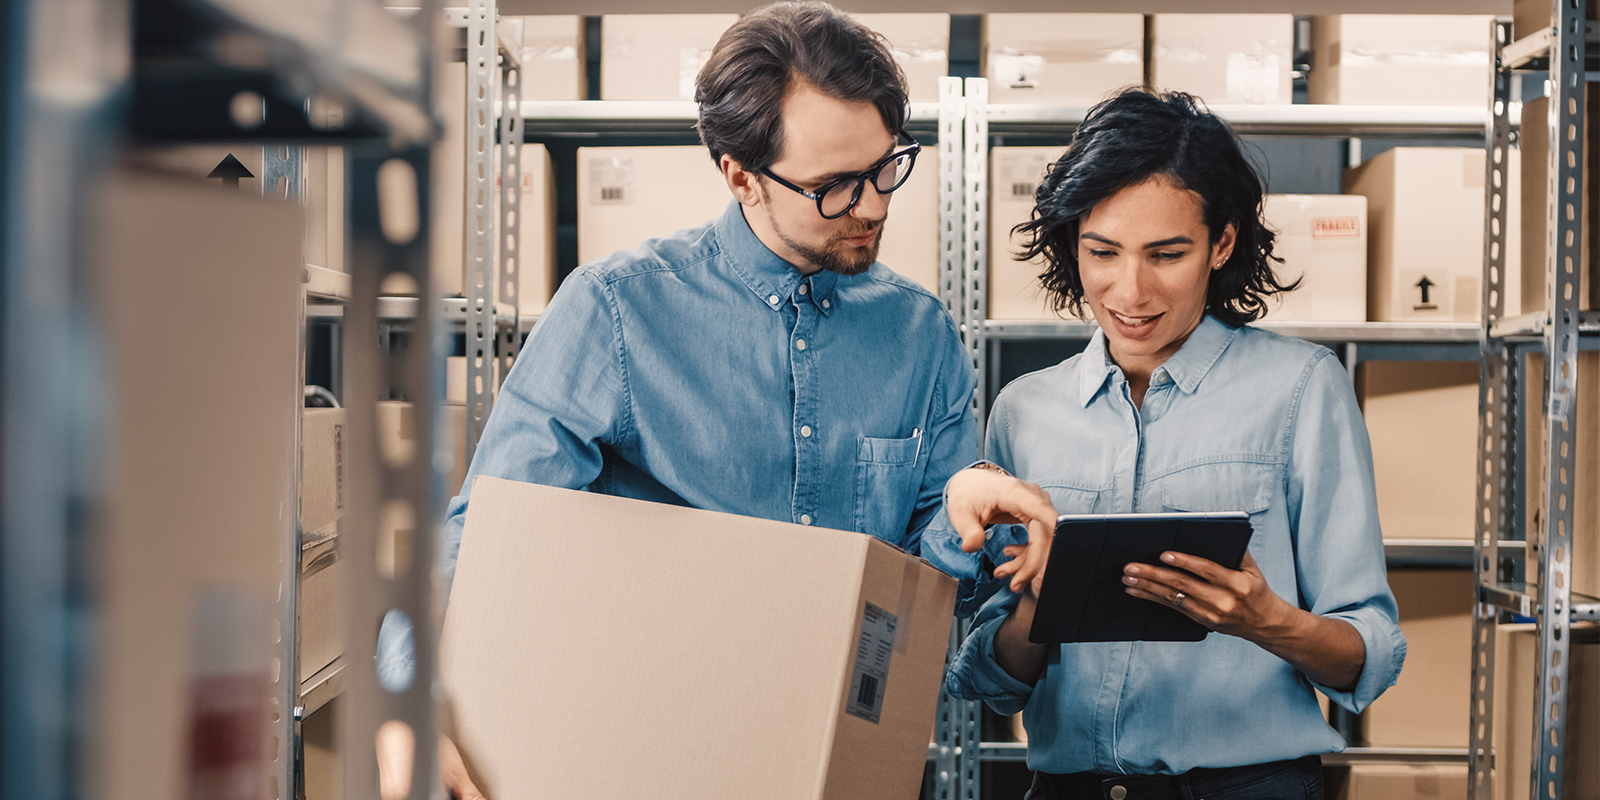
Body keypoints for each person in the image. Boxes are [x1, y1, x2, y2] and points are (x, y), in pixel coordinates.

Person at [379, 4, 1055, 797]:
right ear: (740, 176)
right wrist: (404, 698)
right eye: (834, 186)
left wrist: (965, 516)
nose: (872, 205)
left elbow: (922, 604)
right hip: (648, 762)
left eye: (884, 167)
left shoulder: (923, 336)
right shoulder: (617, 313)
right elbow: (484, 537)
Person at [933, 89, 1406, 800]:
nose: (1131, 289)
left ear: (1221, 244)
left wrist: (1266, 621)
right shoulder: (1024, 410)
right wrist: (1038, 597)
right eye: (1102, 252)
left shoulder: (1302, 388)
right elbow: (996, 686)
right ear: (1072, 244)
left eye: (1167, 253)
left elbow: (1366, 656)